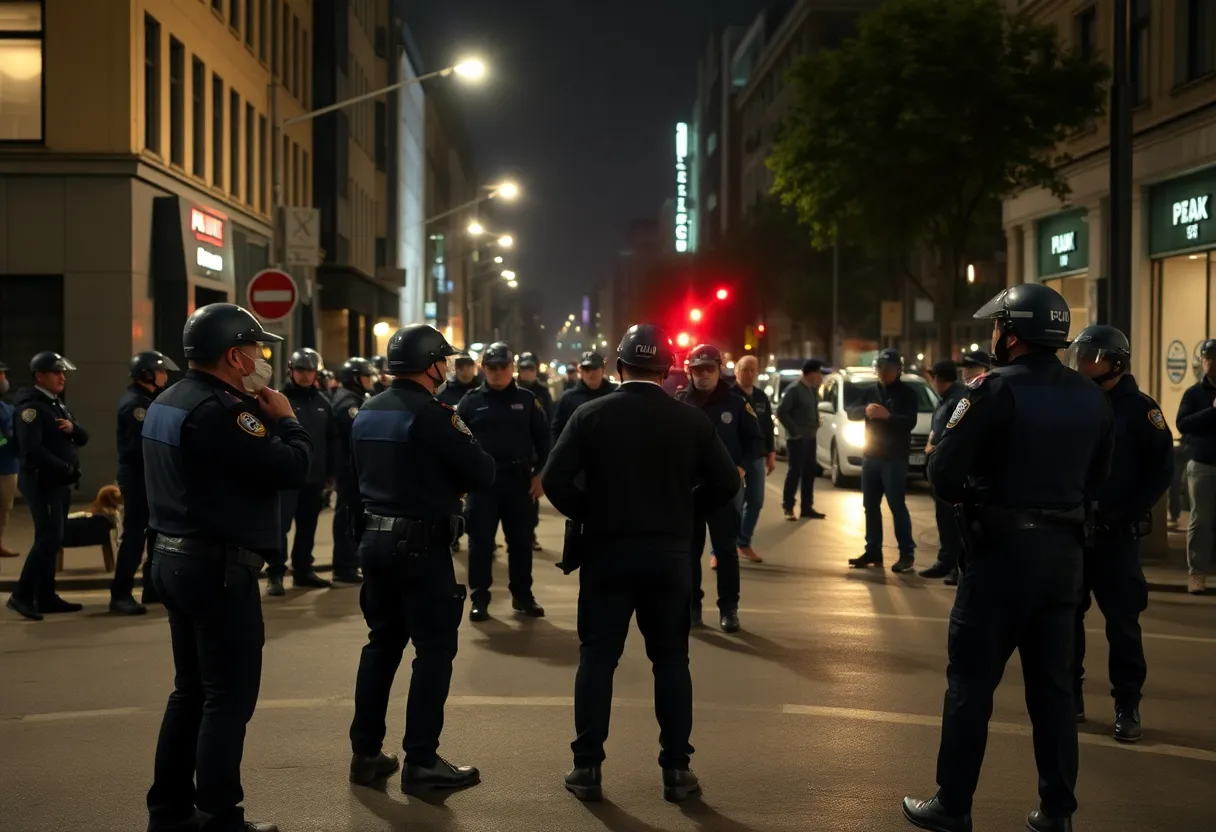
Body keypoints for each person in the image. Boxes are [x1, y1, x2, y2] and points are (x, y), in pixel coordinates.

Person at [903, 283, 1114, 832]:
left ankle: (953, 804)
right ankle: (1057, 812)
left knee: (970, 686)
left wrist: (979, 489)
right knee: (1054, 691)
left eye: (999, 325)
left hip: (1000, 557)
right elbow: (1099, 475)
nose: (995, 334)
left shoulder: (991, 390)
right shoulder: (1091, 396)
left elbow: (943, 473)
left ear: (1013, 334)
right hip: (1063, 559)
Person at [542, 324, 739, 803]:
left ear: (619, 366)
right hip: (669, 555)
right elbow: (727, 483)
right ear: (667, 370)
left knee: (597, 659)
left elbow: (554, 480)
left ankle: (587, 768)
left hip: (606, 552)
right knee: (670, 660)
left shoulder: (591, 414)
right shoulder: (690, 420)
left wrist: (592, 512)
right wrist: (685, 511)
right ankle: (677, 771)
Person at [142, 303, 311, 832]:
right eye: (256, 348)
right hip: (215, 567)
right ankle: (220, 816)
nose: (263, 358)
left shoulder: (168, 399)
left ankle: (170, 810)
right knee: (227, 698)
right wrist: (287, 420)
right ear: (234, 356)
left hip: (172, 556)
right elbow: (293, 467)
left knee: (191, 690)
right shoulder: (224, 412)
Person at [347, 324, 495, 792]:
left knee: (381, 645)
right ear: (430, 365)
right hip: (419, 545)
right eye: (443, 360)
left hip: (374, 540)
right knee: (434, 649)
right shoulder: (435, 414)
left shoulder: (368, 411)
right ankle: (421, 761)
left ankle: (365, 754)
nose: (447, 367)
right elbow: (482, 471)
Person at [1067, 325, 1172, 742]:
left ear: (1116, 363)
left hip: (1117, 535)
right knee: (1066, 619)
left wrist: (1125, 511)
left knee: (1123, 625)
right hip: (1075, 532)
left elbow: (1160, 471)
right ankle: (1070, 695)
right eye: (1080, 357)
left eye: (1092, 358)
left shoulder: (1141, 410)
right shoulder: (1075, 402)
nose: (1083, 365)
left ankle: (1127, 703)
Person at [457, 343, 550, 621]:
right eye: (492, 367)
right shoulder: (470, 401)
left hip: (518, 482)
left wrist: (540, 474)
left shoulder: (528, 401)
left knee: (521, 542)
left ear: (512, 368)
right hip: (482, 485)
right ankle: (479, 598)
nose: (498, 372)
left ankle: (523, 596)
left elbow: (545, 441)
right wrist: (460, 480)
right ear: (483, 368)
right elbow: (455, 443)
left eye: (503, 367)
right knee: (480, 543)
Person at [675, 344, 761, 633]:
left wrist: (741, 467)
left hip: (723, 490)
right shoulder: (680, 402)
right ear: (690, 371)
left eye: (709, 369)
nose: (703, 375)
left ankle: (729, 609)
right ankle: (692, 608)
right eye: (697, 369)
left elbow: (754, 440)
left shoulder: (736, 403)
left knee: (725, 550)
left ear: (719, 369)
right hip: (690, 490)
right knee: (689, 552)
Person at [5, 352, 89, 621]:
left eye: (63, 372)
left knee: (54, 538)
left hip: (58, 481)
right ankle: (21, 595)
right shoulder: (31, 408)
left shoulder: (55, 404)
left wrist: (73, 429)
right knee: (48, 537)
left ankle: (46, 595)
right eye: (56, 372)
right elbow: (31, 449)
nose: (62, 377)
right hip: (43, 481)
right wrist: (63, 468)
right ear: (39, 376)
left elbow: (82, 436)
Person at [111, 350, 181, 615]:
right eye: (161, 371)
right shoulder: (135, 405)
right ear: (147, 374)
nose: (165, 376)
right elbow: (140, 448)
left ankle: (152, 588)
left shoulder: (150, 399)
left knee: (155, 534)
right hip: (138, 477)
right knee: (134, 535)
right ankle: (120, 594)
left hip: (151, 476)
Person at [266, 349, 338, 596]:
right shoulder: (279, 400)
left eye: (310, 371)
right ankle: (275, 573)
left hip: (314, 477)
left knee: (308, 527)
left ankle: (303, 570)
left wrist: (330, 473)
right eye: (300, 370)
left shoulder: (323, 403)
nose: (306, 375)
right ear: (291, 371)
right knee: (281, 527)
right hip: (286, 477)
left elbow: (331, 440)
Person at [847, 348, 919, 572]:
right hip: (871, 457)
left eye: (888, 368)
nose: (884, 372)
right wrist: (865, 410)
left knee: (896, 505)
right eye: (880, 368)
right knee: (870, 506)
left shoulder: (907, 393)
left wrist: (888, 417)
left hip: (894, 459)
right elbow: (851, 411)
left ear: (898, 369)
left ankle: (906, 554)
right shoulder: (871, 391)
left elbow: (910, 422)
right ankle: (873, 550)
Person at [330, 357, 378, 584]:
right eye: (366, 376)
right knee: (347, 517)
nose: (370, 380)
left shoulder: (353, 398)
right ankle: (345, 566)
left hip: (353, 468)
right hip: (349, 469)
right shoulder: (348, 403)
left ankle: (349, 563)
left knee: (353, 515)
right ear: (356, 379)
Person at [920, 359, 967, 585]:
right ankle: (945, 561)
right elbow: (938, 428)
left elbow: (957, 435)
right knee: (944, 518)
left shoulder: (958, 399)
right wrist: (931, 440)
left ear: (938, 379)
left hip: (952, 469)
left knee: (954, 521)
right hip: (940, 467)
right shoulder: (945, 399)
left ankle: (957, 566)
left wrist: (937, 447)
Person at [1176, 337, 1216, 595]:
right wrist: (1212, 412)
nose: (1211, 363)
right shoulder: (1194, 393)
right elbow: (1182, 423)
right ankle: (1197, 574)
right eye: (1208, 358)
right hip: (1203, 464)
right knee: (1201, 521)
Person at [732, 356, 777, 559]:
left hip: (757, 455)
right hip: (735, 456)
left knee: (756, 500)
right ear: (737, 372)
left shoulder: (760, 397)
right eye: (745, 369)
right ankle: (722, 549)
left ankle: (743, 541)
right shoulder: (729, 395)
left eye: (752, 370)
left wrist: (771, 452)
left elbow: (767, 425)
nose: (749, 373)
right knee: (733, 503)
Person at [776, 359, 826, 521]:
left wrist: (816, 421)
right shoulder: (794, 390)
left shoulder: (812, 390)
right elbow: (782, 412)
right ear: (812, 373)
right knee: (795, 472)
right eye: (819, 373)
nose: (820, 376)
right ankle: (788, 506)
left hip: (810, 437)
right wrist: (795, 431)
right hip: (797, 439)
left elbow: (813, 409)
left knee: (809, 472)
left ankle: (807, 507)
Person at [516, 351, 553, 551]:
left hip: (532, 455)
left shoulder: (542, 393)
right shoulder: (511, 389)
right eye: (523, 368)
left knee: (530, 500)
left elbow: (549, 423)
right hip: (513, 453)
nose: (527, 372)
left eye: (530, 368)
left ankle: (530, 535)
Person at [552, 351, 617, 442]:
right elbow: (557, 431)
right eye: (586, 369)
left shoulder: (616, 394)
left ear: (602, 369)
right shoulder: (568, 398)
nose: (591, 373)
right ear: (581, 371)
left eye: (594, 368)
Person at [0, 360, 18, 558]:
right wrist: (7, 440)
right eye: (0, 374)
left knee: (4, 508)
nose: (3, 379)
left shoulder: (7, 408)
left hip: (8, 466)